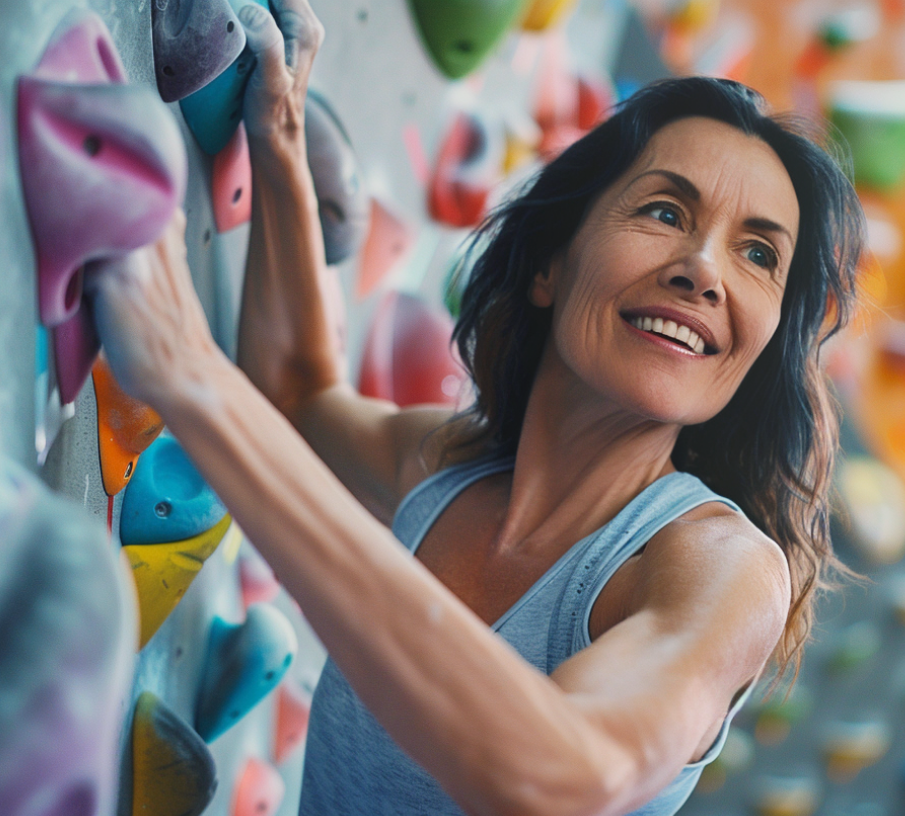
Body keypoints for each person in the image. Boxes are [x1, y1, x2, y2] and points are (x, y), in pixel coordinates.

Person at [92, 1, 865, 813]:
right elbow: (297, 395)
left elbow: (569, 770)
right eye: (665, 212)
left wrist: (193, 379)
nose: (704, 269)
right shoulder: (452, 471)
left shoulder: (722, 570)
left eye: (758, 254)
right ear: (550, 268)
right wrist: (279, 127)